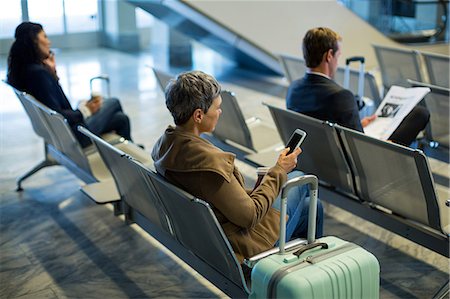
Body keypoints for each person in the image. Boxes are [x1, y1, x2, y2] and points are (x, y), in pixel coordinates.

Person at [151, 71, 323, 263]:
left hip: (206, 236)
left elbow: (219, 195)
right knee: (300, 179)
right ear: (198, 115)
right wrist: (279, 170)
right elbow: (249, 216)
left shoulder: (166, 146)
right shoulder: (209, 164)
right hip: (243, 246)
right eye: (217, 108)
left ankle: (298, 270)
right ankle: (297, 272)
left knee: (313, 206)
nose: (220, 112)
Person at [286, 27, 430, 147]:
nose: (337, 61)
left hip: (317, 160)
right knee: (420, 113)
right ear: (329, 55)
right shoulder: (340, 96)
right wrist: (387, 144)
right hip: (349, 166)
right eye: (338, 55)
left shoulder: (293, 89)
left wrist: (360, 124)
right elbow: (359, 148)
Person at [7, 22, 132, 148]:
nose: (49, 42)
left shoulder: (24, 71)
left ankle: (131, 151)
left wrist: (53, 74)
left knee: (121, 119)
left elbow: (53, 107)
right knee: (113, 102)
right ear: (33, 42)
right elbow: (57, 114)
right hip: (77, 135)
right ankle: (125, 157)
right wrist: (84, 111)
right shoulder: (39, 75)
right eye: (45, 37)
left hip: (64, 133)